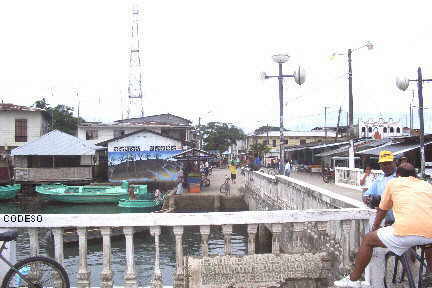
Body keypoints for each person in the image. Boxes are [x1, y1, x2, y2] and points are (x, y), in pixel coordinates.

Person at [334, 163, 432, 287]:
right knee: (428, 244)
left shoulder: (393, 183)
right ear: (415, 175)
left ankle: (353, 279)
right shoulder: (426, 185)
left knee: (368, 239)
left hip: (405, 231)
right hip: (429, 231)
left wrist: (375, 227)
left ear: (398, 175)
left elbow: (382, 209)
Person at [363, 150, 397, 223]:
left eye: (389, 163)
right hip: (386, 221)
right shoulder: (379, 179)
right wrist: (368, 198)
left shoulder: (400, 176)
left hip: (400, 221)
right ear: (380, 166)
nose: (387, 166)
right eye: (384, 164)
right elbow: (367, 194)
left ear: (394, 162)